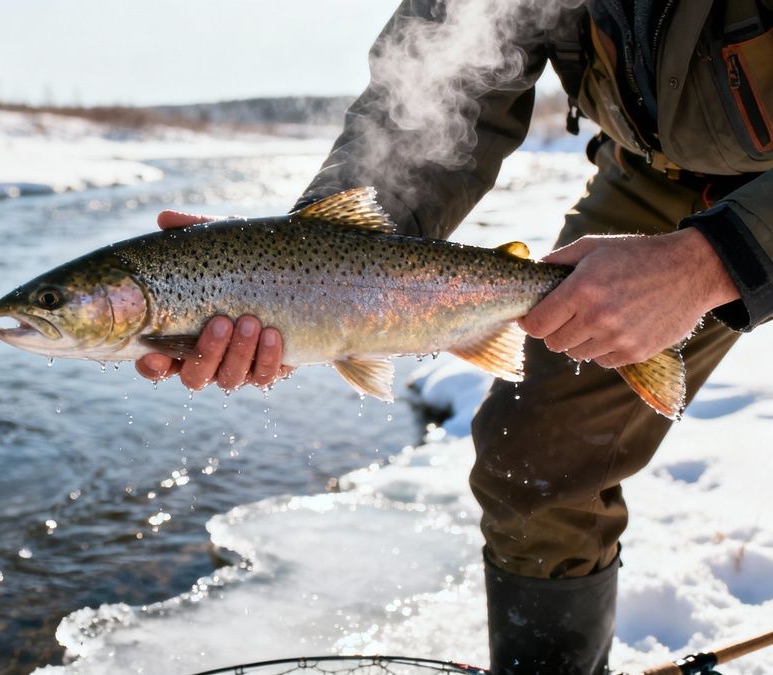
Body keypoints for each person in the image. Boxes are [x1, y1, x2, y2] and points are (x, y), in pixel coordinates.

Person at [136, 1, 773, 673]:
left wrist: (711, 259)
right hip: (650, 171)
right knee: (534, 456)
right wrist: (308, 259)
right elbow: (440, 87)